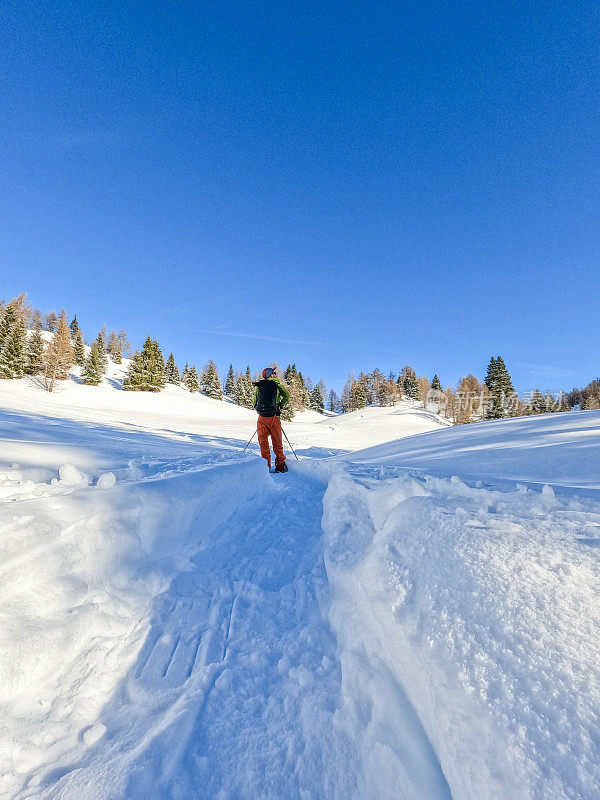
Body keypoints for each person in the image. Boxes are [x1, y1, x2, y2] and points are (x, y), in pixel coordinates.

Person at [252, 367, 290, 472]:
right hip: (274, 417)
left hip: (262, 418)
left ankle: (266, 467)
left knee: (263, 443)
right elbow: (287, 396)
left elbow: (254, 402)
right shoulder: (277, 386)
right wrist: (280, 406)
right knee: (277, 443)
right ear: (272, 375)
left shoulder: (260, 386)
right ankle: (280, 466)